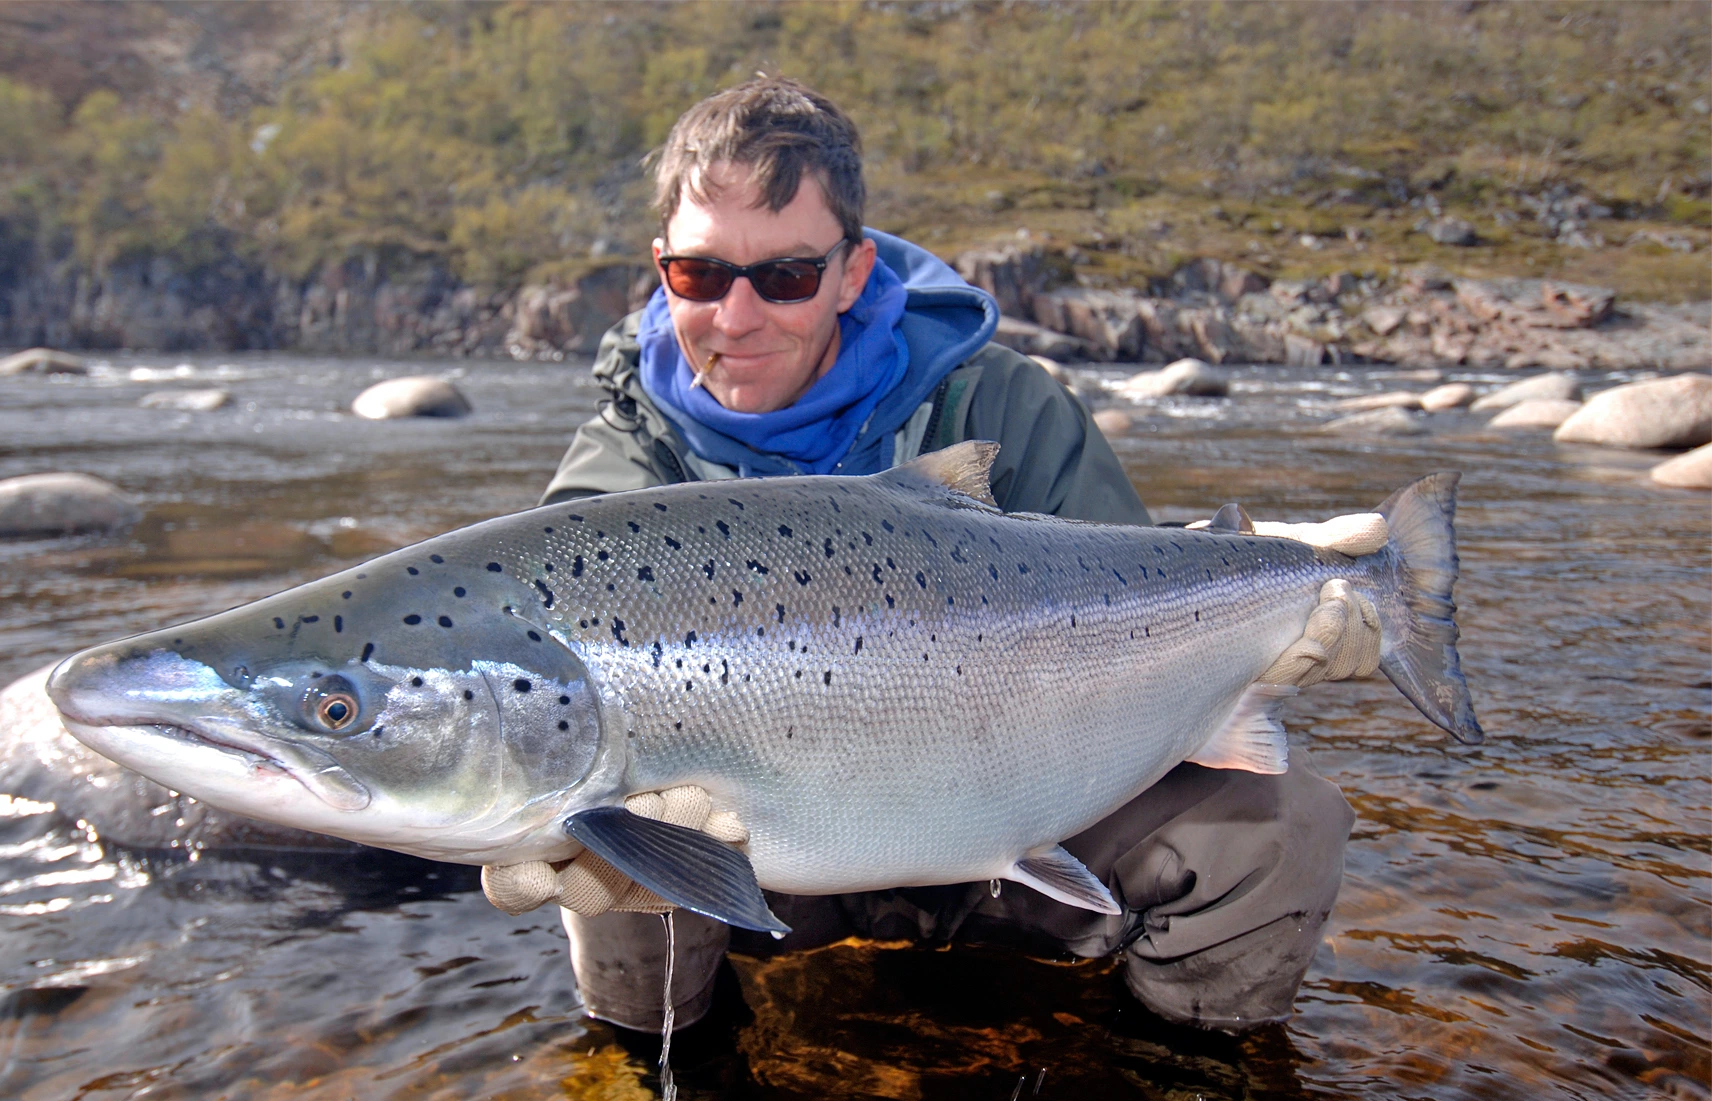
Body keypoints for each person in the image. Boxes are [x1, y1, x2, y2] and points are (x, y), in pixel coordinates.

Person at [510, 76, 1365, 1033]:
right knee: (607, 861)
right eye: (702, 278)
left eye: (785, 276)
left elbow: (1139, 597)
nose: (737, 317)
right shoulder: (620, 474)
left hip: (1021, 809)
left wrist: (1273, 615)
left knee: (1279, 832)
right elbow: (532, 677)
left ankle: (1190, 1096)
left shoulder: (1001, 406)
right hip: (770, 857)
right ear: (661, 267)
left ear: (852, 270)